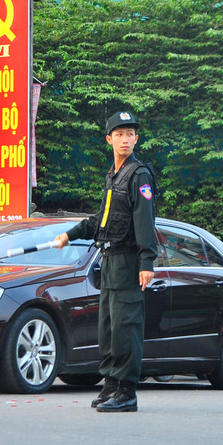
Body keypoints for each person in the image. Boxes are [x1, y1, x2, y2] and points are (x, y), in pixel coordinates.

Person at [54, 111, 157, 413]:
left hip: (128, 261)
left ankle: (127, 392)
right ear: (109, 139)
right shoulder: (113, 174)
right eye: (120, 134)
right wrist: (70, 234)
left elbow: (144, 221)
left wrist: (146, 262)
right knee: (109, 329)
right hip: (109, 260)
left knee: (127, 328)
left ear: (136, 139)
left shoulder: (139, 175)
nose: (125, 139)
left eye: (130, 134)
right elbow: (102, 220)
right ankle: (111, 385)